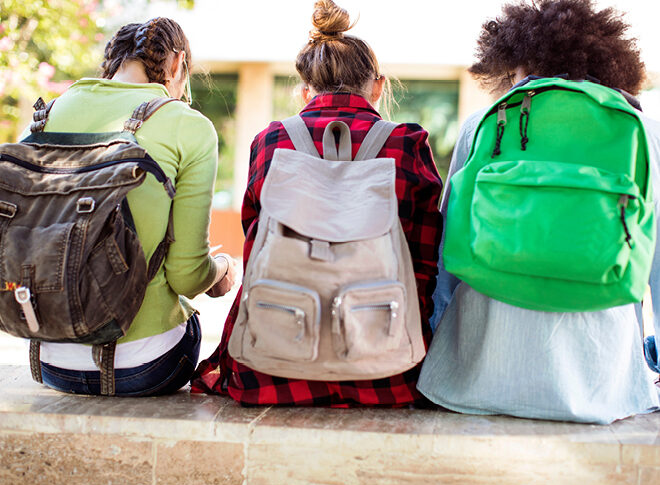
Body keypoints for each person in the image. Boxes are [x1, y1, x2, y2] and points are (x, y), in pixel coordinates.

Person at [417, 0, 660, 424]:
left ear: (519, 59)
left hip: (481, 365)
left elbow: (450, 242)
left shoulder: (482, 123)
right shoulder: (640, 128)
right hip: (600, 374)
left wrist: (434, 330)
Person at [191, 0, 443, 406]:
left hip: (272, 366)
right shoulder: (407, 143)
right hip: (385, 369)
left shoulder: (273, 142)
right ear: (378, 85)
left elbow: (256, 247)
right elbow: (424, 267)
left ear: (305, 91)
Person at [32, 17, 237, 396]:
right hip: (141, 367)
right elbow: (187, 277)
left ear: (111, 63)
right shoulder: (186, 125)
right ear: (177, 64)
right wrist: (223, 269)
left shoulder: (47, 115)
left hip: (47, 360)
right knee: (191, 323)